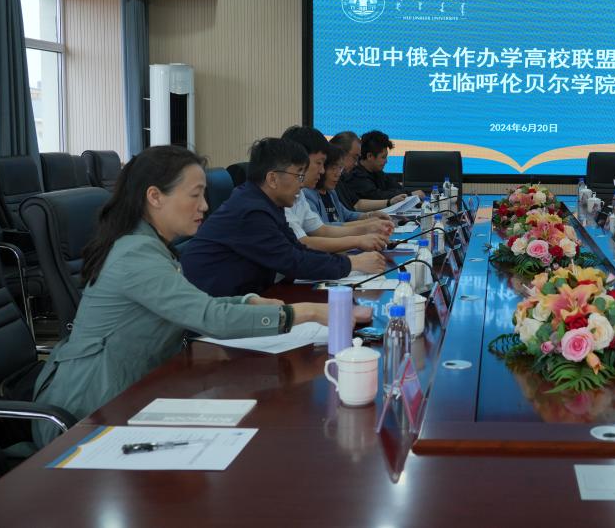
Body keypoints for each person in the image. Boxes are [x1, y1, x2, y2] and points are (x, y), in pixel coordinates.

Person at [30, 146, 344, 447]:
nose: (205, 205)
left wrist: (246, 302)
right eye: (195, 195)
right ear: (155, 196)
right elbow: (209, 318)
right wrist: (306, 312)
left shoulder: (149, 245)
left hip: (136, 390)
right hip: (88, 410)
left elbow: (194, 304)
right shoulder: (136, 254)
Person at [181, 138, 386, 296]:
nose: (301, 183)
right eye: (298, 175)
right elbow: (293, 261)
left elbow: (297, 249)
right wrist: (353, 264)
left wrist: (349, 261)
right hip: (216, 313)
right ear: (272, 179)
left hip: (248, 297)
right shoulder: (251, 211)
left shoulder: (267, 204)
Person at [280, 125, 391, 253]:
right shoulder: (286, 196)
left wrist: (367, 228)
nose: (322, 171)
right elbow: (302, 242)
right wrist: (358, 241)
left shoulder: (300, 194)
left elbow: (321, 230)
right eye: (319, 163)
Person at [334, 130, 422, 212]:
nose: (386, 161)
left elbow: (396, 188)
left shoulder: (377, 172)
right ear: (369, 156)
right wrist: (409, 195)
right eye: (383, 157)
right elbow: (374, 196)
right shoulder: (353, 175)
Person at [309, 140, 390, 224]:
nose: (338, 174)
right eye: (333, 168)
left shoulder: (331, 193)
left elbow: (347, 215)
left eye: (340, 168)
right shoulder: (309, 195)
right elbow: (323, 228)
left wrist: (370, 215)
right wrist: (367, 225)